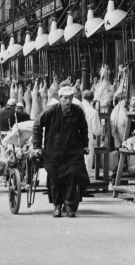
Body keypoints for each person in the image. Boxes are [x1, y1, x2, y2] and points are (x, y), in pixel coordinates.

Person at [32, 85, 89, 218]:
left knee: (73, 177)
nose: (68, 101)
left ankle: (69, 205)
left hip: (72, 153)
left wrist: (85, 145)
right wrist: (37, 146)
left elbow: (84, 128)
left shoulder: (78, 111)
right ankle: (57, 206)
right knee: (55, 180)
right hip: (54, 152)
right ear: (59, 98)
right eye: (65, 98)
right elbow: (37, 125)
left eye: (70, 98)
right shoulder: (50, 111)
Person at [78, 90, 103, 177]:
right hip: (88, 139)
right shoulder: (93, 112)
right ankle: (85, 181)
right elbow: (96, 131)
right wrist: (102, 128)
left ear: (82, 97)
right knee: (87, 161)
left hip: (75, 138)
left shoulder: (76, 108)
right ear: (92, 99)